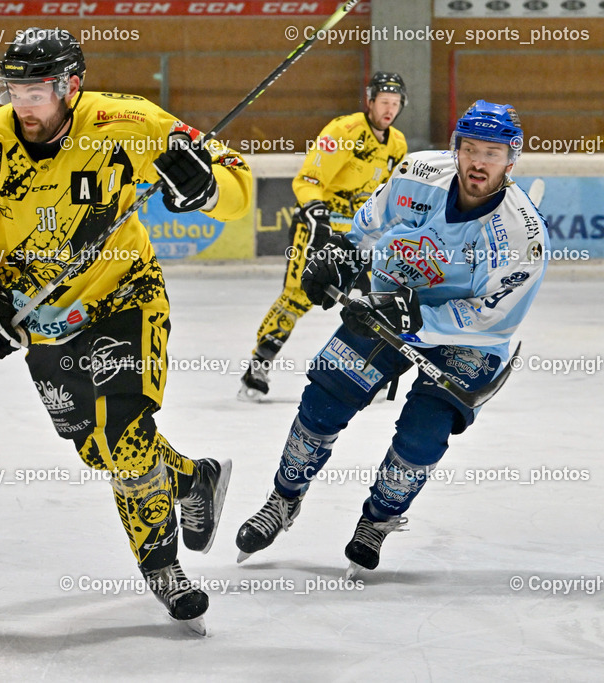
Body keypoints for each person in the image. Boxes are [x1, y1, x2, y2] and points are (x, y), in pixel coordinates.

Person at [0, 28, 251, 631]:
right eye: (13, 89)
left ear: (71, 86)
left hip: (122, 294)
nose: (23, 105)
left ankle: (164, 572)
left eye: (38, 90)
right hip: (45, 321)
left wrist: (207, 187)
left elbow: (238, 188)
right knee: (96, 448)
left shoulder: (126, 122)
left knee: (125, 432)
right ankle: (193, 476)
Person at [235, 101, 548, 575]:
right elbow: (369, 222)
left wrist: (416, 316)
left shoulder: (523, 236)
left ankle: (377, 520)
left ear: (512, 159)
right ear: (455, 149)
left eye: (492, 152)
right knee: (324, 400)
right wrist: (344, 255)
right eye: (469, 149)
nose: (478, 162)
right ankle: (283, 498)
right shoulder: (419, 171)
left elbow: (494, 318)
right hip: (387, 305)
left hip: (465, 339)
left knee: (423, 434)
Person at [239, 73, 408, 401]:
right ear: (370, 101)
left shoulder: (398, 144)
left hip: (361, 235)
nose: (389, 109)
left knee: (373, 300)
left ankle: (370, 367)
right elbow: (307, 181)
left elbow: (392, 194)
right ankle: (260, 363)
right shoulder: (343, 132)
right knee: (297, 297)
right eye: (384, 102)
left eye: (396, 104)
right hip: (321, 230)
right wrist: (317, 214)